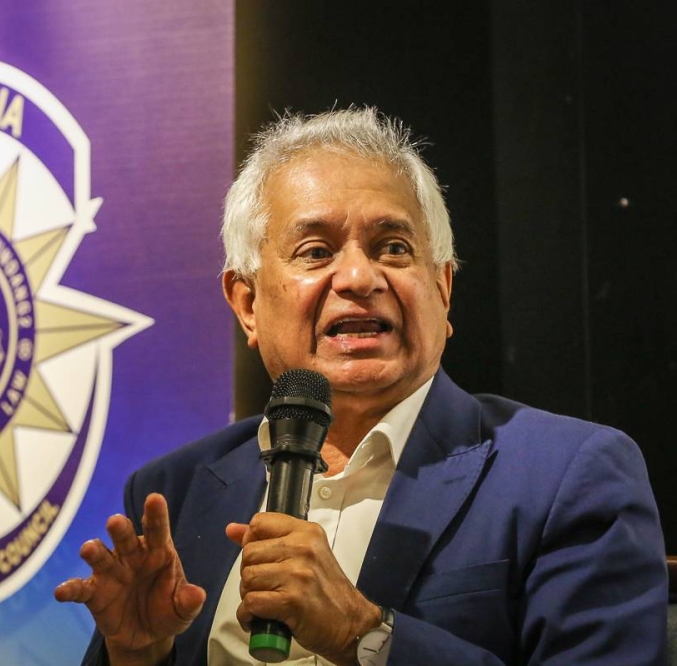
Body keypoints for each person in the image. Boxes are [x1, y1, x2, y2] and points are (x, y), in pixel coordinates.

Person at [54, 108, 668, 665]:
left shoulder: (569, 476)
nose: (357, 275)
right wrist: (137, 656)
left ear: (443, 289)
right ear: (246, 303)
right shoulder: (174, 491)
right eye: (316, 251)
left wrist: (362, 633)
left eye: (393, 248)